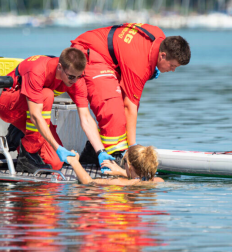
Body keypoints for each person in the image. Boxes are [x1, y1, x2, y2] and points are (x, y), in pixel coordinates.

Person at [70, 23, 191, 164]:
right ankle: (116, 157)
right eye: (172, 66)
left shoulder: (158, 36)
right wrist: (132, 148)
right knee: (114, 112)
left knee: (120, 110)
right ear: (162, 56)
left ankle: (92, 154)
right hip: (87, 53)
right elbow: (130, 107)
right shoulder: (139, 63)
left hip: (110, 58)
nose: (172, 70)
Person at [0, 48, 114, 173]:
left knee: (56, 162)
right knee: (47, 95)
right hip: (7, 104)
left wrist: (100, 151)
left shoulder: (76, 79)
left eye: (79, 76)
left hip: (31, 109)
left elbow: (86, 118)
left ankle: (18, 135)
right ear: (60, 67)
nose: (75, 81)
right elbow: (35, 116)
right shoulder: (37, 70)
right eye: (71, 77)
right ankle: (27, 156)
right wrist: (57, 147)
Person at [67, 145, 164, 185]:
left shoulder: (118, 182)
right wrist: (121, 171)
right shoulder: (159, 181)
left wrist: (74, 162)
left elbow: (88, 181)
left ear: (129, 166)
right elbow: (139, 180)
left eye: (124, 161)